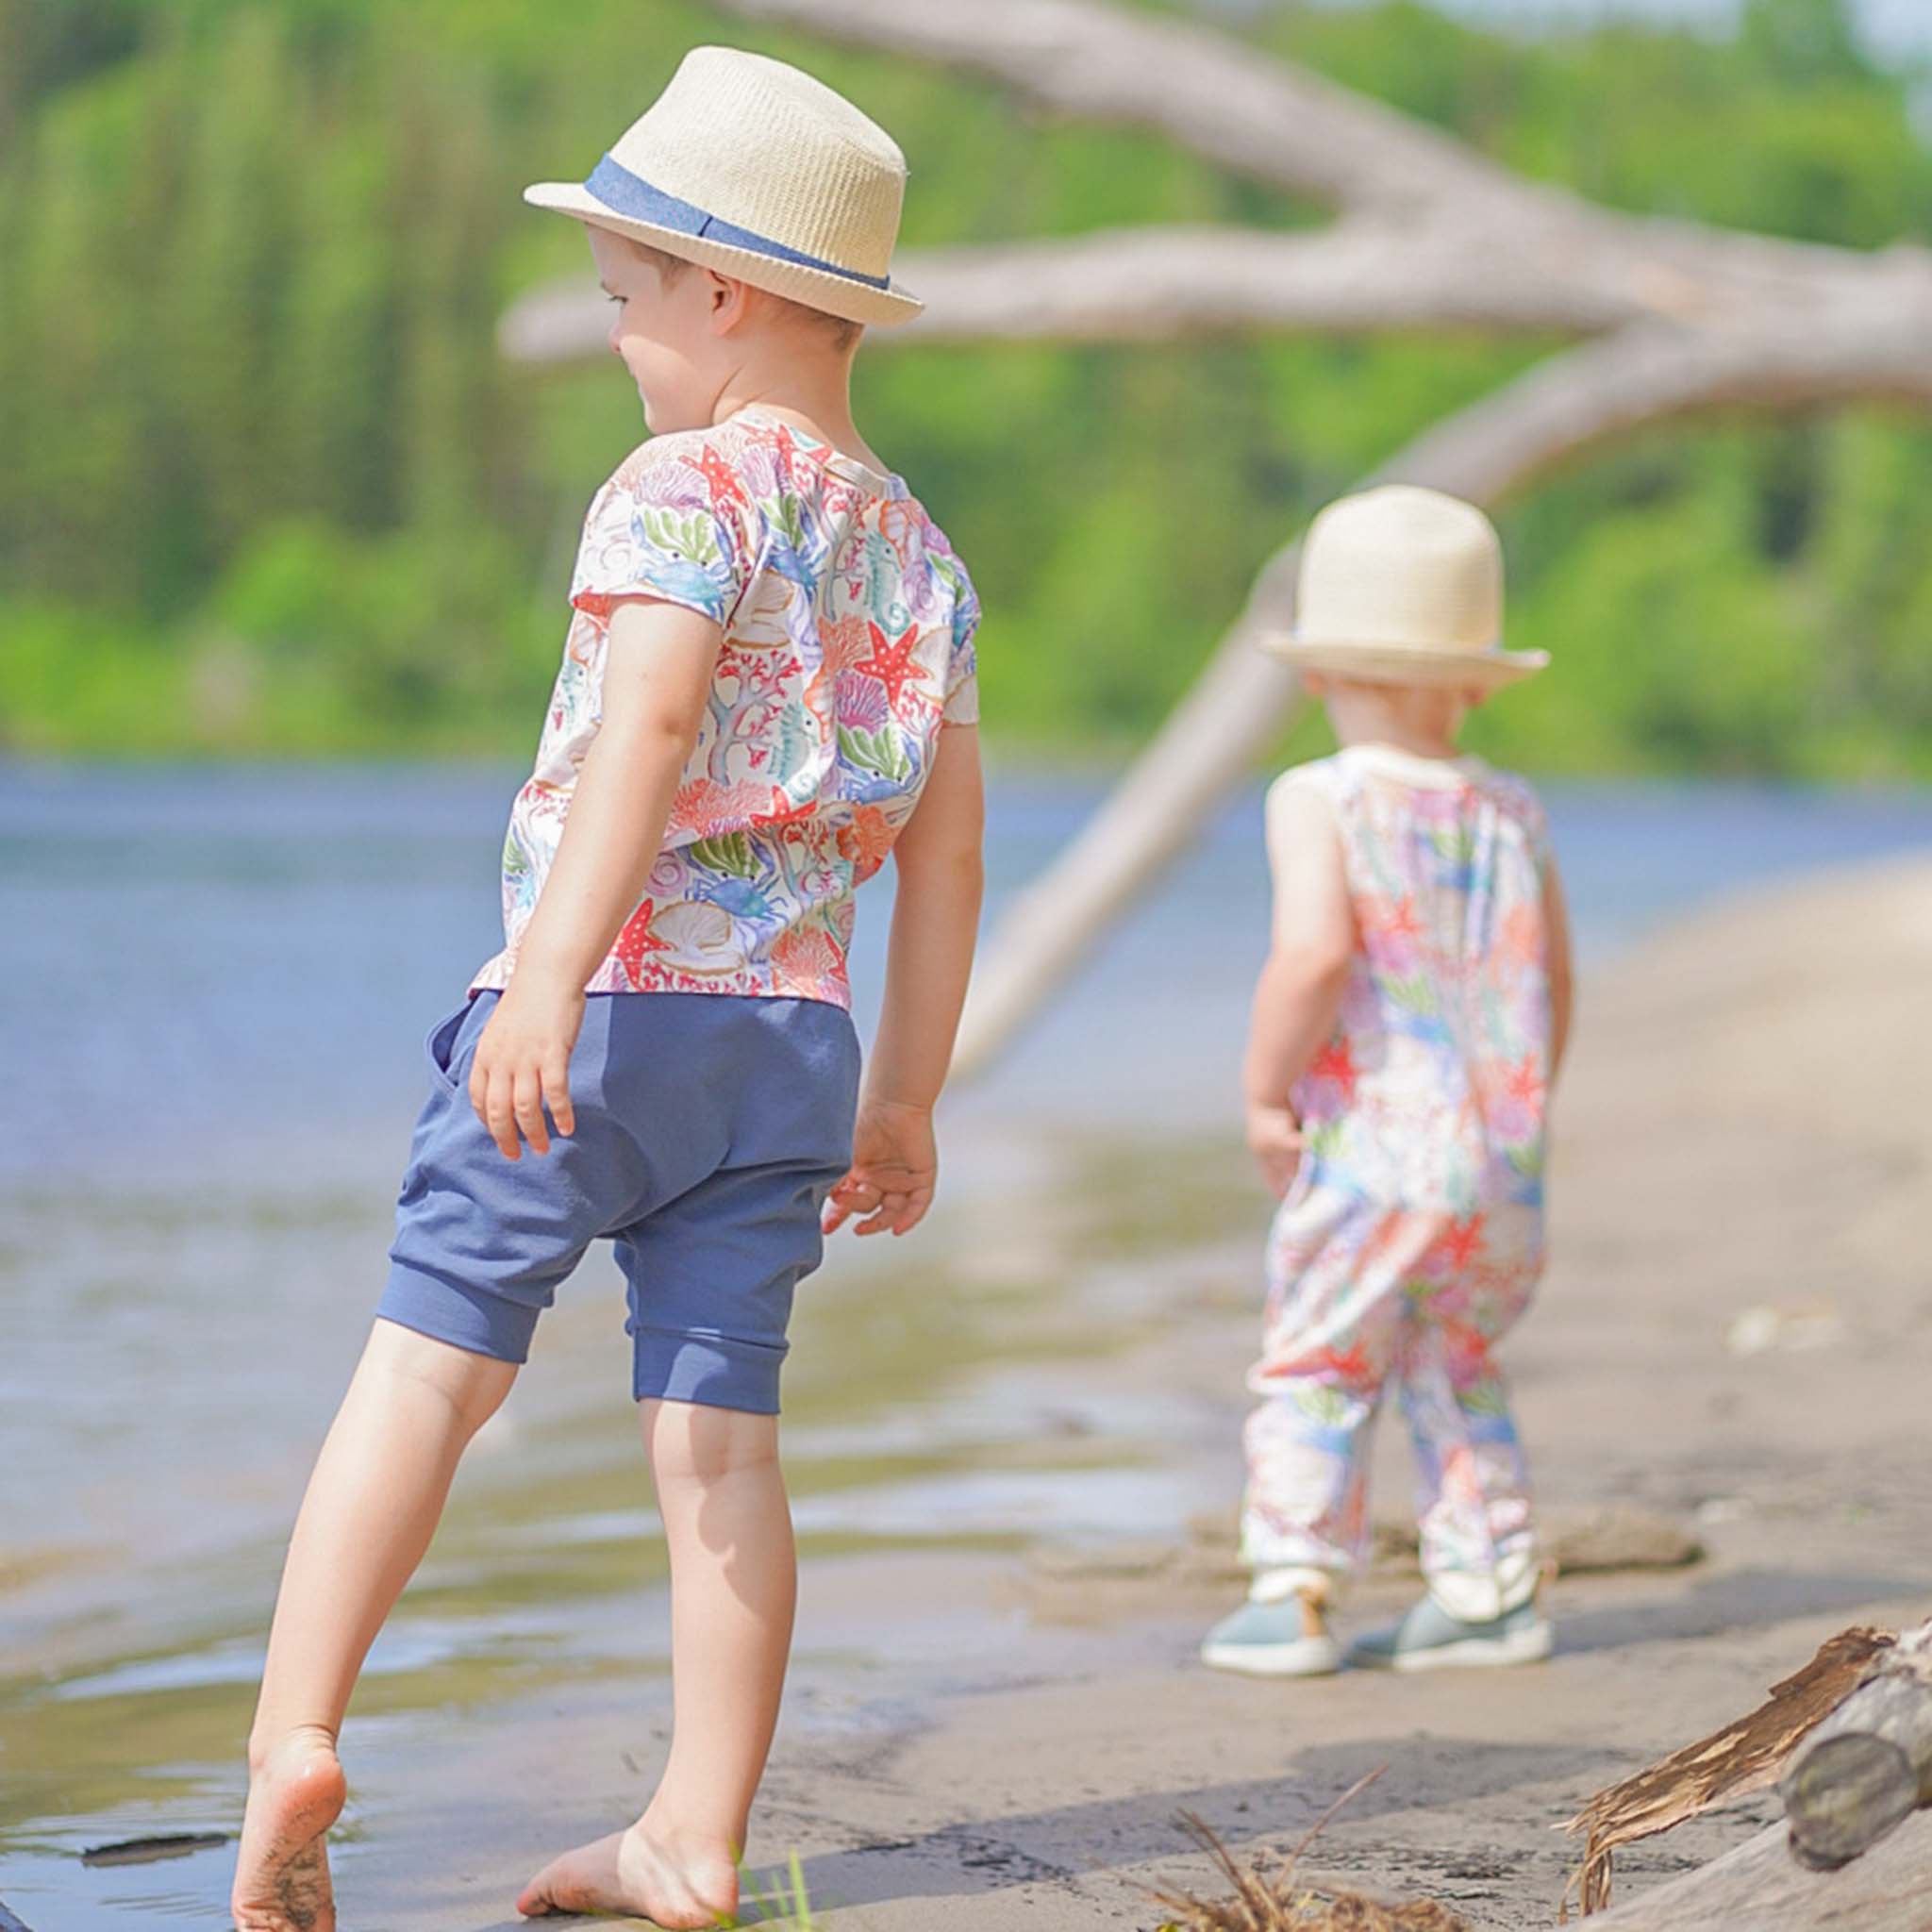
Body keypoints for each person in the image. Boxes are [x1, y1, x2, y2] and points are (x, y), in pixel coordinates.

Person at [231, 48, 984, 1931]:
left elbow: (650, 721)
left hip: (613, 1007)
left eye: (627, 300)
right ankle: (695, 1832)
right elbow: (947, 852)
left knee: (425, 1366)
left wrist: (545, 985)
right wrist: (907, 1097)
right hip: (794, 1054)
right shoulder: (926, 559)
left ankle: (291, 1740)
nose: (626, 340)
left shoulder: (681, 482)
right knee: (720, 1441)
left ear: (720, 292)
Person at [1201, 486, 1573, 1679]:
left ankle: (1294, 1587)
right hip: (1499, 1155)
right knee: (1453, 1361)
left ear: (1319, 670)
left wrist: (1266, 1093)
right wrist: (1516, 1109)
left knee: (1317, 1356)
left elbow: (1312, 955)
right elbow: (1550, 975)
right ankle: (1488, 1590)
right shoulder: (1511, 807)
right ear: (1474, 679)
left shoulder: (1321, 796)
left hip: (1372, 1148)